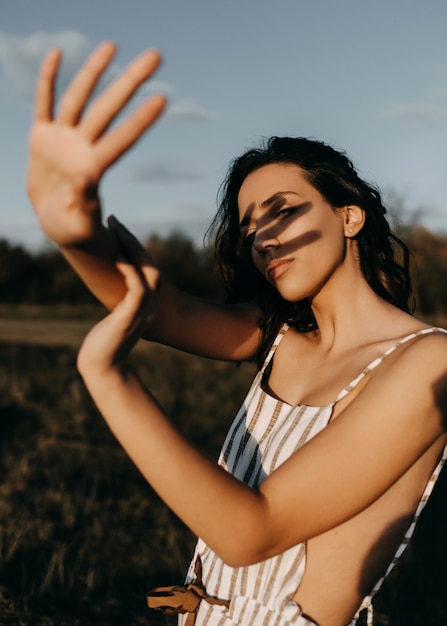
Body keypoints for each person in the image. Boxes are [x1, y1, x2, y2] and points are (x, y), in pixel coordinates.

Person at [27, 42, 447, 626]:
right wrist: (73, 232)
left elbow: (253, 531)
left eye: (283, 210)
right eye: (251, 226)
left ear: (350, 216)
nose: (263, 237)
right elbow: (157, 309)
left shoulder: (428, 363)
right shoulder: (274, 333)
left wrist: (108, 378)